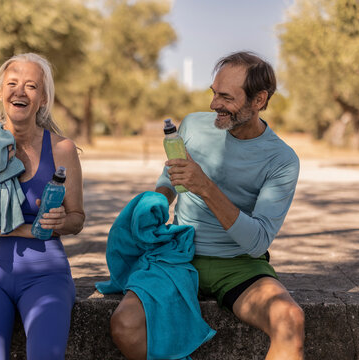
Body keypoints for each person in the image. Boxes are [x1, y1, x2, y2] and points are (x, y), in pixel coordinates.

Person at [110, 51, 304, 360]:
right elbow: (170, 175)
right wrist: (159, 199)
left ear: (258, 100)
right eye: (214, 93)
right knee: (124, 324)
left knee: (290, 320)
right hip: (179, 256)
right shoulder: (193, 125)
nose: (214, 104)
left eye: (226, 97)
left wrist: (206, 188)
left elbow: (257, 243)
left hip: (240, 265)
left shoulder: (282, 160)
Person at [0, 53, 85, 360]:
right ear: (0, 92)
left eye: (31, 86)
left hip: (46, 273)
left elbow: (77, 218)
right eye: (12, 83)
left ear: (43, 98)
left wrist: (59, 221)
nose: (20, 91)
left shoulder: (62, 148)